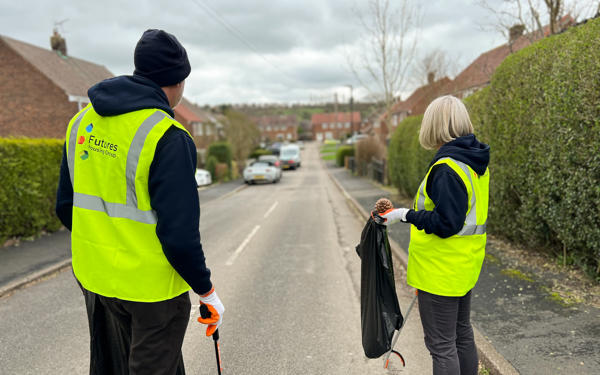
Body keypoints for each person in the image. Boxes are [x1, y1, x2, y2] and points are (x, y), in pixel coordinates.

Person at [55, 29, 224, 375]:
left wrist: (110, 248)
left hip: (96, 281)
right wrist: (206, 291)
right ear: (178, 82)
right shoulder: (168, 137)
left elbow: (65, 206)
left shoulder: (81, 123)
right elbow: (179, 237)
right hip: (152, 295)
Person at [376, 95, 489, 375]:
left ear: (433, 126)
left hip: (440, 271)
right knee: (461, 335)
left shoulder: (446, 168)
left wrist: (405, 214)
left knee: (442, 346)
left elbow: (446, 222)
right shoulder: (472, 161)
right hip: (463, 265)